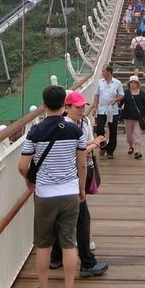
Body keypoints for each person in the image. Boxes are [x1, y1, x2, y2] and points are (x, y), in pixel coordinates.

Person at [18, 84, 86, 288]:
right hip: (70, 192)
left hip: (45, 194)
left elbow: (22, 165)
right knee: (69, 243)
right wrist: (82, 189)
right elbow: (82, 163)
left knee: (44, 244)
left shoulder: (35, 132)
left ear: (44, 105)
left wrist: (30, 179)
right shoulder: (75, 130)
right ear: (64, 106)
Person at [50, 91, 109, 277]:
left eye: (83, 106)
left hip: (59, 181)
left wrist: (94, 141)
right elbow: (79, 155)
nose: (82, 109)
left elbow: (80, 147)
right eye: (78, 106)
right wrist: (95, 145)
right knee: (82, 220)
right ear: (66, 107)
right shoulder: (69, 128)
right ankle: (87, 263)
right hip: (72, 178)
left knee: (62, 219)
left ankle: (56, 257)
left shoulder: (67, 124)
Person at [92, 65, 123, 159]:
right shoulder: (100, 82)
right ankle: (102, 145)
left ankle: (110, 151)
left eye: (103, 71)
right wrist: (94, 107)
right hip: (101, 109)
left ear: (109, 72)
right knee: (99, 128)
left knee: (113, 130)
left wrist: (115, 99)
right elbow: (97, 95)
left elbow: (122, 95)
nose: (102, 73)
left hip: (112, 110)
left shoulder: (117, 83)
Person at [121, 75, 145, 159]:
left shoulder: (142, 94)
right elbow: (120, 103)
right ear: (129, 84)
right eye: (131, 82)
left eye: (135, 82)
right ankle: (131, 146)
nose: (133, 84)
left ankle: (137, 151)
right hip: (128, 116)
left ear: (138, 84)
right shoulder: (126, 93)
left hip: (139, 117)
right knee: (129, 135)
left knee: (137, 134)